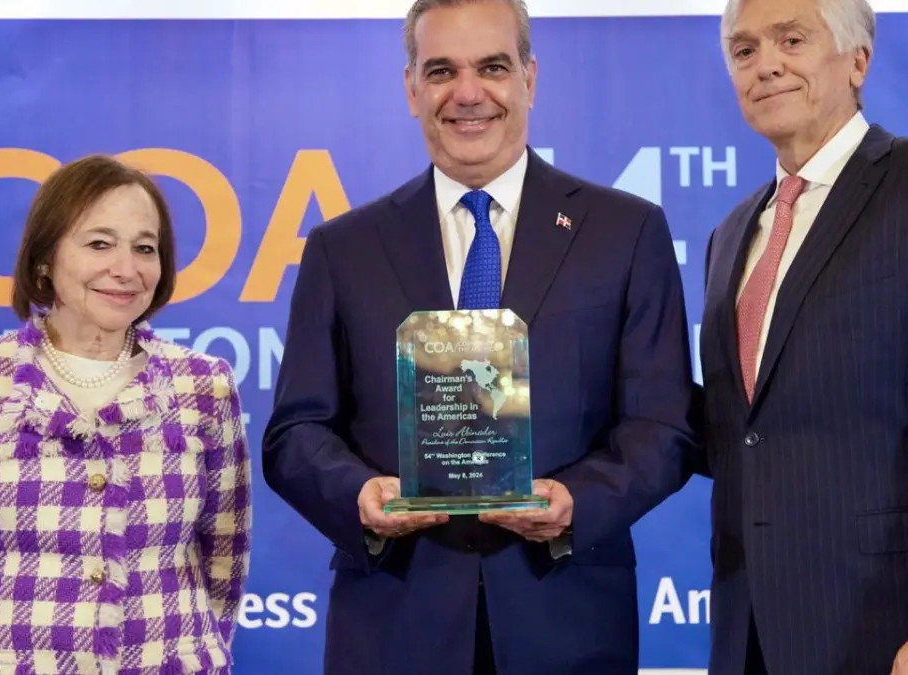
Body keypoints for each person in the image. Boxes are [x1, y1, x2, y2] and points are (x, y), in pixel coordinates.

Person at [261, 1, 700, 674]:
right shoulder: (341, 249)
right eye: (441, 70)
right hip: (395, 625)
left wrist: (579, 502)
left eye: (492, 66)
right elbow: (295, 433)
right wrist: (358, 495)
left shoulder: (626, 233)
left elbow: (663, 426)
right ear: (411, 88)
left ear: (530, 77)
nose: (468, 93)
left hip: (569, 620)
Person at [700, 0, 908, 673]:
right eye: (743, 51)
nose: (764, 64)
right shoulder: (731, 233)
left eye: (790, 40)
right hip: (754, 638)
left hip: (903, 631)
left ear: (858, 60)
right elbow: (738, 428)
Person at [0, 155, 253, 675]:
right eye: (99, 244)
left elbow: (226, 558)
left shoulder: (204, 386)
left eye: (145, 248)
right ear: (45, 258)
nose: (126, 269)